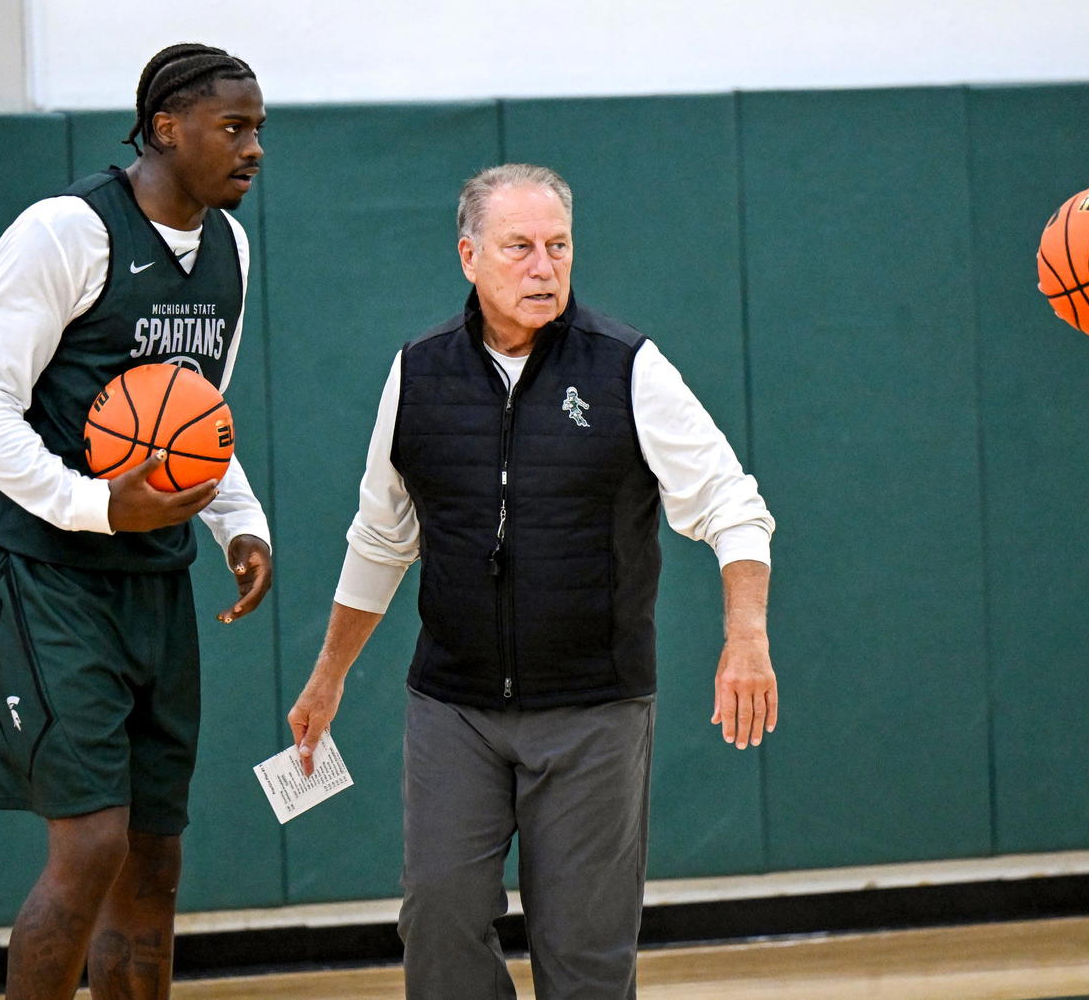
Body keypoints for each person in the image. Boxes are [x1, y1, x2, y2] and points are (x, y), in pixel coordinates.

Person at [287, 163, 777, 999]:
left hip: (593, 709)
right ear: (469, 255)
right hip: (454, 707)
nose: (543, 267)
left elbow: (734, 503)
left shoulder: (630, 369)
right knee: (438, 921)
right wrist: (328, 675)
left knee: (584, 955)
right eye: (520, 248)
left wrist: (746, 635)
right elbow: (381, 538)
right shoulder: (416, 374)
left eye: (558, 246)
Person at [0, 43, 274, 1000]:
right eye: (233, 127)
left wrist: (238, 523)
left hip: (154, 578)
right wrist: (94, 504)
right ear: (165, 127)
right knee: (90, 845)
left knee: (155, 860)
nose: (253, 149)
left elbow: (193, 412)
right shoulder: (66, 232)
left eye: (259, 131)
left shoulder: (231, 251)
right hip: (44, 573)